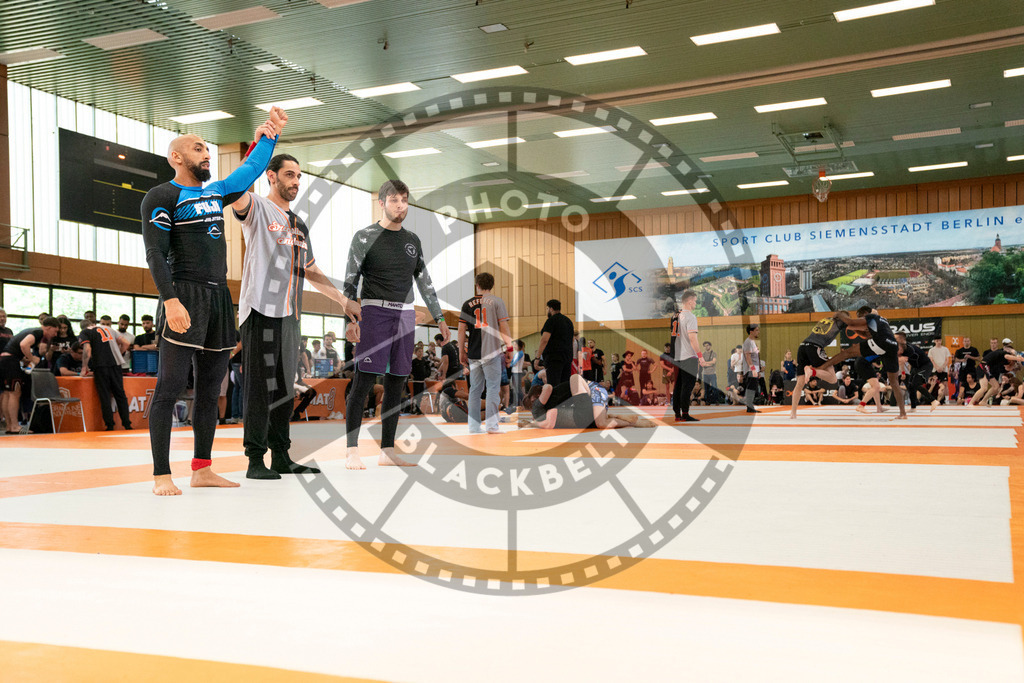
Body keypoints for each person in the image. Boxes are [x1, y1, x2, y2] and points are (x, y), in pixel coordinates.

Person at [141, 106, 287, 495]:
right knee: (169, 387)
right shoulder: (162, 196)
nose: (206, 154)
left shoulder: (215, 192)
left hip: (220, 297)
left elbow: (251, 170)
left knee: (211, 390)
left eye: (207, 149)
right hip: (184, 294)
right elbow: (155, 254)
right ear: (177, 157)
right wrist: (170, 302)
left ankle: (202, 469)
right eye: (198, 148)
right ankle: (161, 474)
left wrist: (269, 136)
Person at [232, 153, 353, 479]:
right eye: (289, 174)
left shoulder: (299, 224)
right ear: (271, 176)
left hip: (290, 315)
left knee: (285, 388)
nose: (296, 181)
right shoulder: (256, 207)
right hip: (259, 311)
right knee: (260, 389)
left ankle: (281, 455)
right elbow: (234, 188)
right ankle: (255, 459)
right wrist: (260, 146)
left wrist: (342, 301)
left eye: (299, 176)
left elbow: (310, 270)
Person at [342, 179, 450, 470]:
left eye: (404, 200)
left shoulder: (412, 240)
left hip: (404, 315)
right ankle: (352, 450)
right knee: (364, 381)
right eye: (394, 200)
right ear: (381, 202)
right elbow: (350, 281)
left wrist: (439, 317)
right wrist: (349, 321)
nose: (400, 206)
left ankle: (387, 451)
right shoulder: (364, 237)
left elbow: (424, 281)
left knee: (397, 383)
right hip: (373, 313)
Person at [818, 306, 907, 419]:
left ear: (864, 313)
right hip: (892, 346)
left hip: (881, 344)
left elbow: (851, 321)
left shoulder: (871, 316)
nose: (860, 320)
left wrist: (839, 315)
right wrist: (854, 329)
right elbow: (867, 335)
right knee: (894, 383)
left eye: (860, 317)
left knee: (847, 353)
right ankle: (903, 414)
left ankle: (822, 366)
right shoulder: (882, 320)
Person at [458, 272, 511, 434]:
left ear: (477, 285)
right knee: (493, 388)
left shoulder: (467, 304)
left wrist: (461, 351)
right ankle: (492, 426)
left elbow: (461, 330)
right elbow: (504, 327)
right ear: (492, 285)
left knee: (475, 390)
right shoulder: (497, 302)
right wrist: (509, 347)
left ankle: (473, 427)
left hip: (473, 353)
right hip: (492, 352)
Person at [521, 374, 654, 430]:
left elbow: (547, 387)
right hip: (585, 407)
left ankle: (631, 421)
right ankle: (629, 421)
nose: (535, 405)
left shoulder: (544, 397)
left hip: (593, 393)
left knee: (574, 378)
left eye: (534, 401)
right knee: (601, 423)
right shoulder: (543, 409)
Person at [1, 318, 58, 434]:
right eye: (55, 331)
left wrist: (24, 358)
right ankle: (15, 426)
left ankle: (9, 426)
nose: (55, 334)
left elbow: (17, 346)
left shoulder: (31, 330)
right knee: (15, 393)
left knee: (7, 393)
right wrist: (32, 358)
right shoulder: (38, 332)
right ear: (48, 328)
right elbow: (23, 344)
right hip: (10, 362)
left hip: (6, 359)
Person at [79, 320, 132, 431]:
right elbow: (126, 343)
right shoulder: (109, 329)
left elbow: (87, 349)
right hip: (116, 364)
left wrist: (84, 367)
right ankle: (127, 424)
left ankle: (110, 425)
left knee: (105, 396)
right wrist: (119, 353)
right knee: (120, 394)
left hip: (101, 365)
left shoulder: (85, 332)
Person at [789, 317, 844, 419]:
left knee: (799, 383)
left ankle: (793, 413)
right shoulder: (841, 322)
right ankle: (812, 371)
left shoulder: (826, 319)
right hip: (815, 347)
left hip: (802, 346)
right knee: (833, 378)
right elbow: (855, 326)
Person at [671, 289, 702, 422]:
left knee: (678, 386)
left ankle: (677, 413)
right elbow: (692, 338)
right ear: (689, 301)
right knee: (687, 386)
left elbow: (673, 337)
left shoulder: (675, 316)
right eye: (694, 300)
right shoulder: (690, 317)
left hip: (677, 356)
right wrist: (700, 356)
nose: (695, 303)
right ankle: (685, 413)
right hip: (689, 356)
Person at [972, 339, 1024, 406]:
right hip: (984, 366)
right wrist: (1018, 358)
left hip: (988, 369)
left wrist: (1016, 363)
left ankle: (983, 401)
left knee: (996, 387)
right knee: (984, 388)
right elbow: (1009, 357)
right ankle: (971, 403)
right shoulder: (1004, 354)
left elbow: (1008, 368)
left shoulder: (1005, 362)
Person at [535, 299, 574, 386]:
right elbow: (572, 340)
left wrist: (537, 358)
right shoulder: (568, 321)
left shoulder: (551, 320)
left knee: (553, 385)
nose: (547, 311)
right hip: (567, 358)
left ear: (551, 309)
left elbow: (544, 340)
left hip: (554, 358)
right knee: (564, 385)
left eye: (547, 308)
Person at [895, 332, 935, 411]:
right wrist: (903, 372)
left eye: (895, 338)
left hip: (925, 365)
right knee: (910, 386)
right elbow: (901, 361)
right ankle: (913, 407)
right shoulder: (900, 347)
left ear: (902, 339)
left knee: (915, 384)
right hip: (916, 367)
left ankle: (933, 401)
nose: (893, 340)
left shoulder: (910, 349)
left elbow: (902, 360)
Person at [741, 324, 760, 414]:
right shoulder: (748, 342)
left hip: (754, 368)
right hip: (750, 369)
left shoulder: (752, 342)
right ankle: (749, 406)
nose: (758, 332)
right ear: (751, 332)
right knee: (751, 387)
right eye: (756, 330)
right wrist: (753, 369)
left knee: (753, 387)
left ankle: (750, 405)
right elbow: (748, 357)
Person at [511, 340, 526, 408]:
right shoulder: (518, 353)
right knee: (516, 389)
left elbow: (514, 363)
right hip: (515, 372)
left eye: (515, 345)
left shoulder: (520, 353)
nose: (514, 346)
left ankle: (525, 402)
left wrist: (509, 364)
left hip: (517, 373)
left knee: (518, 390)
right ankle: (518, 404)